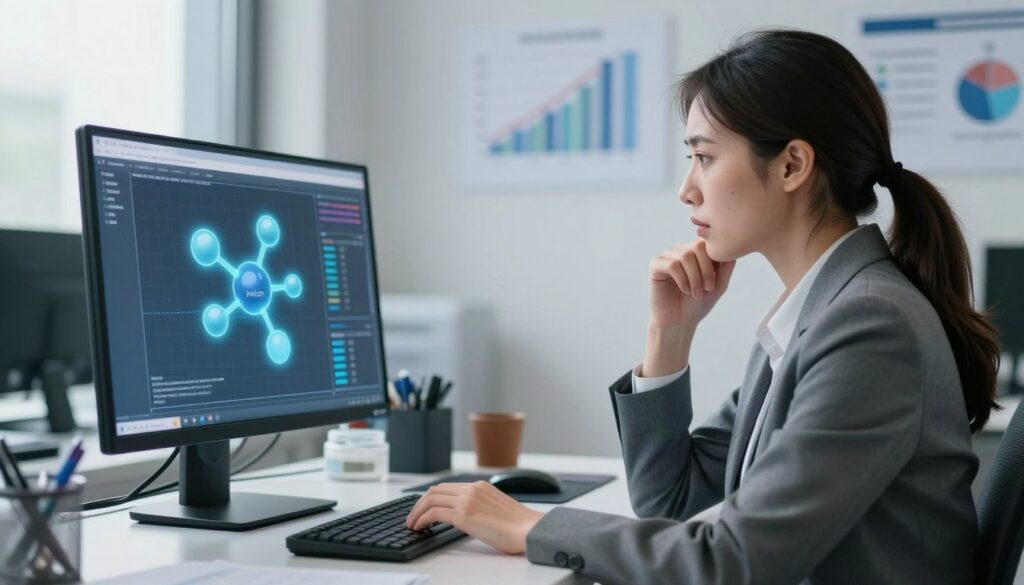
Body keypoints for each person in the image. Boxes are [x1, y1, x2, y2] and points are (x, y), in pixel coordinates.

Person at [405, 29, 1000, 584]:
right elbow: (670, 499)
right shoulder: (820, 310)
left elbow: (734, 561)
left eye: (704, 156)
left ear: (793, 164)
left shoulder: (870, 324)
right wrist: (669, 335)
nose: (687, 188)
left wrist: (531, 527)